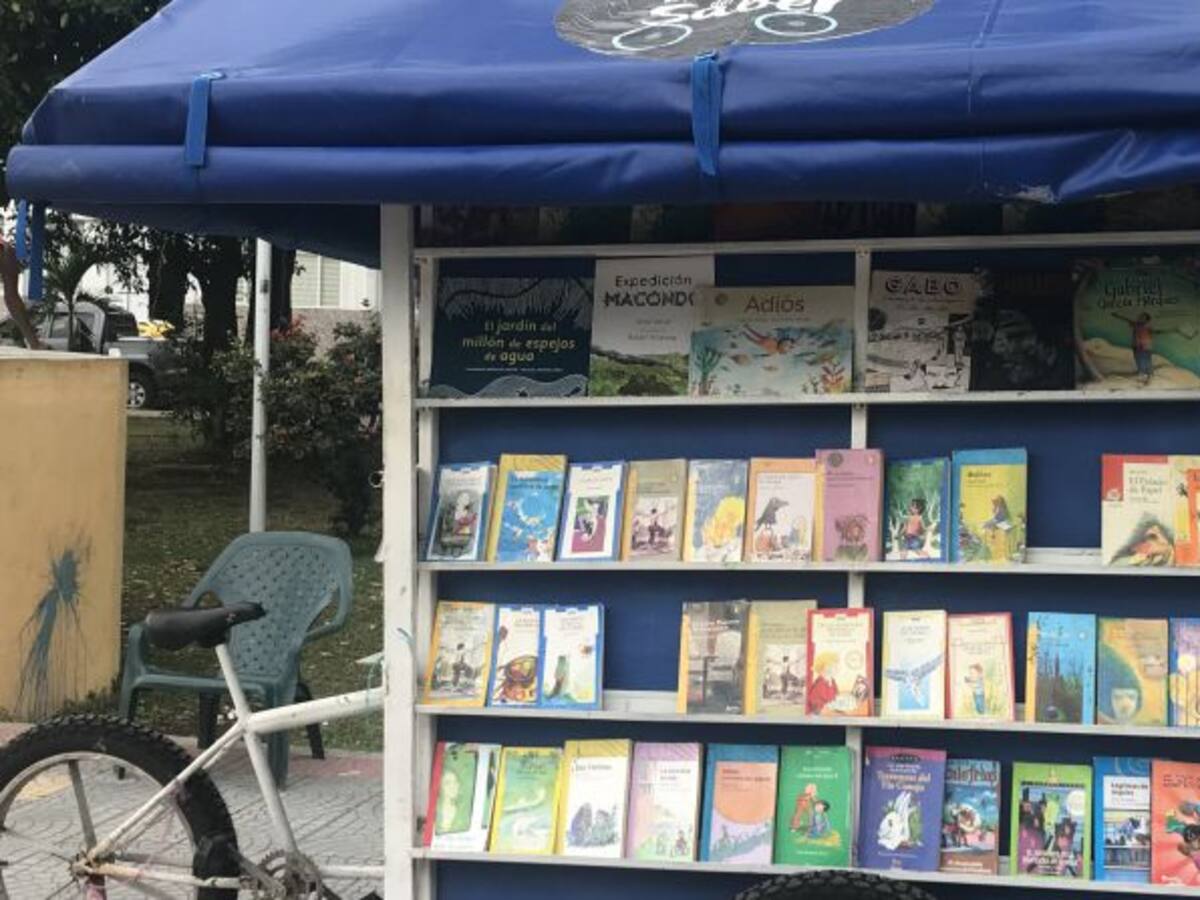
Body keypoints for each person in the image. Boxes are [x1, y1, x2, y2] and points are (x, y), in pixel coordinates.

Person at [0, 236, 43, 349]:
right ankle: (34, 342)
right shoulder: (6, 249)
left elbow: (12, 298)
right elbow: (12, 298)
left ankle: (34, 342)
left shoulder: (6, 250)